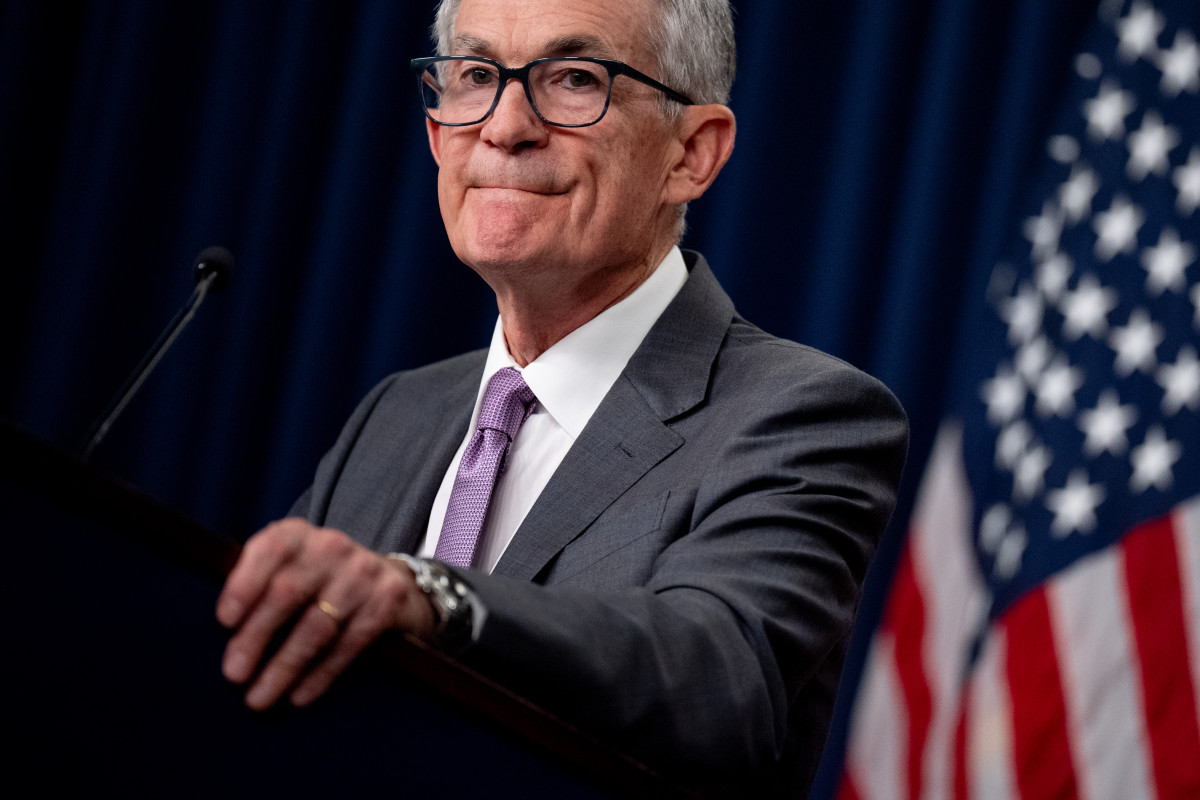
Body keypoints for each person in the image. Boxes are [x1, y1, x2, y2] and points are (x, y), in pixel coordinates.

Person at [216, 0, 908, 794]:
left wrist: (436, 600)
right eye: (477, 76)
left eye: (575, 78)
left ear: (691, 154)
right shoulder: (397, 413)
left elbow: (717, 678)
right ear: (438, 132)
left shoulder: (804, 414)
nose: (505, 127)